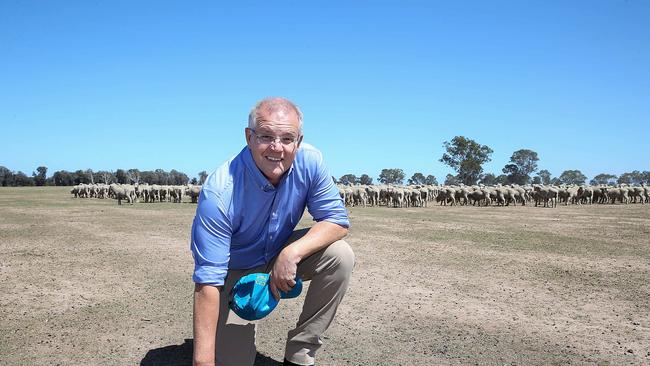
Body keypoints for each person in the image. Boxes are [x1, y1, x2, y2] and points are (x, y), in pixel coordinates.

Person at [190, 97, 354, 366]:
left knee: (340, 256)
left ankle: (300, 355)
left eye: (287, 138)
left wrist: (291, 253)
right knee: (233, 362)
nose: (277, 148)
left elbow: (336, 220)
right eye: (266, 136)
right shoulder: (219, 192)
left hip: (279, 250)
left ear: (298, 141)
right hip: (233, 270)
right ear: (249, 137)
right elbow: (208, 281)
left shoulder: (310, 162)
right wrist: (203, 362)